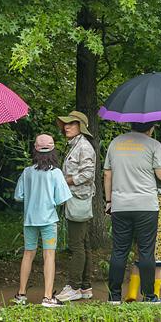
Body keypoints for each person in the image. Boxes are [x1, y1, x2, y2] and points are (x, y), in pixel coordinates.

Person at [103, 122, 161, 304]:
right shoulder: (154, 145)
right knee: (146, 252)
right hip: (146, 206)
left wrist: (109, 201)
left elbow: (107, 174)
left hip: (120, 205)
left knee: (119, 251)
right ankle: (149, 296)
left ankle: (114, 296)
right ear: (150, 128)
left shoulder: (115, 143)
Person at [12, 134, 72, 307]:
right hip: (48, 221)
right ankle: (47, 297)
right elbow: (62, 198)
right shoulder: (56, 173)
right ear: (53, 151)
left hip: (30, 220)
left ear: (35, 150)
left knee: (28, 254)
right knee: (49, 256)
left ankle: (21, 294)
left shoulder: (27, 172)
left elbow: (18, 196)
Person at [54, 111, 98, 303]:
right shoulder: (75, 145)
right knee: (84, 243)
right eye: (65, 124)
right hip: (77, 199)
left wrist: (67, 181)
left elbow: (88, 174)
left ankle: (73, 287)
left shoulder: (84, 147)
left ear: (81, 126)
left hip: (78, 199)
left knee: (76, 245)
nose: (66, 127)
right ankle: (85, 286)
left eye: (72, 124)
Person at [126, 186, 161, 301]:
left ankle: (131, 294)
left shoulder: (145, 201)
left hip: (145, 238)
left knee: (138, 264)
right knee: (157, 267)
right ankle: (155, 295)